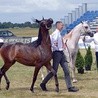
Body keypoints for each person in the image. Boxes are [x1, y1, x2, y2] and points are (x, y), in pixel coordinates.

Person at [40, 21, 79, 92]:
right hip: (57, 53)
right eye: (61, 25)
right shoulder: (55, 34)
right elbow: (52, 43)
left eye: (63, 25)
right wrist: (56, 45)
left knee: (66, 70)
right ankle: (43, 83)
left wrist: (63, 44)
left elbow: (58, 42)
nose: (62, 26)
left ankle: (69, 87)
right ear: (57, 26)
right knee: (53, 71)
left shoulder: (59, 34)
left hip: (61, 53)